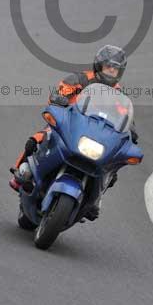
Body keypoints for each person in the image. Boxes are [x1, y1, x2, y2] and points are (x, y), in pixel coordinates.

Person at [9, 45, 138, 216]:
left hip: (97, 135)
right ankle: (22, 173)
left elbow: (124, 115)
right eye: (108, 66)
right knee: (37, 139)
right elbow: (61, 91)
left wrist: (131, 130)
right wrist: (58, 99)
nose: (111, 71)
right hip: (68, 124)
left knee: (111, 169)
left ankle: (95, 201)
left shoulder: (118, 94)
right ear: (99, 65)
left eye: (115, 69)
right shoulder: (81, 79)